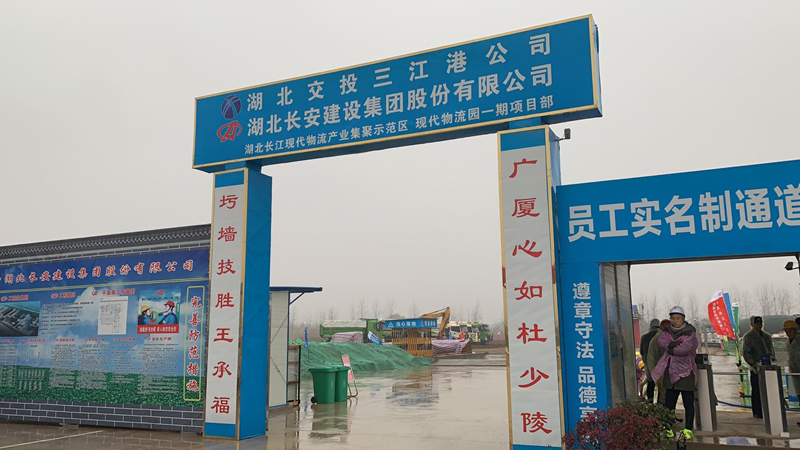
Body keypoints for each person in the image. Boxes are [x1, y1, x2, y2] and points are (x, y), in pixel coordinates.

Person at [652, 306, 698, 440]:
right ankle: (668, 428)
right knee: (669, 403)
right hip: (670, 373)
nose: (675, 321)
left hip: (686, 373)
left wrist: (672, 348)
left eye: (678, 318)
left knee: (688, 402)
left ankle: (688, 428)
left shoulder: (690, 333)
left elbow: (686, 348)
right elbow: (661, 342)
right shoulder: (667, 332)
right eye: (673, 318)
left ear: (683, 319)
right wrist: (672, 345)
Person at [742, 315, 774, 419]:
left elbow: (772, 351)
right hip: (756, 369)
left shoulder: (767, 336)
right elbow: (746, 352)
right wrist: (753, 364)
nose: (759, 325)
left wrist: (773, 362)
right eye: (756, 323)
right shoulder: (748, 337)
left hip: (768, 368)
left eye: (760, 323)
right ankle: (757, 411)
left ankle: (769, 409)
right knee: (756, 390)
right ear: (752, 324)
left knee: (769, 389)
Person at [647, 319, 671, 404]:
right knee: (664, 393)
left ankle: (657, 407)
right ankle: (663, 409)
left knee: (659, 390)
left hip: (653, 368)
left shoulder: (655, 337)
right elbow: (663, 356)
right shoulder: (661, 338)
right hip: (660, 370)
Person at [640, 319, 661, 402]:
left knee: (650, 383)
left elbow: (641, 352)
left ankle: (650, 402)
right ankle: (660, 404)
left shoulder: (644, 337)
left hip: (648, 364)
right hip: (659, 364)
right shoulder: (661, 336)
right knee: (661, 386)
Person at [783, 320, 800, 417]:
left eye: (790, 331)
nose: (788, 333)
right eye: (786, 331)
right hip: (795, 372)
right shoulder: (789, 342)